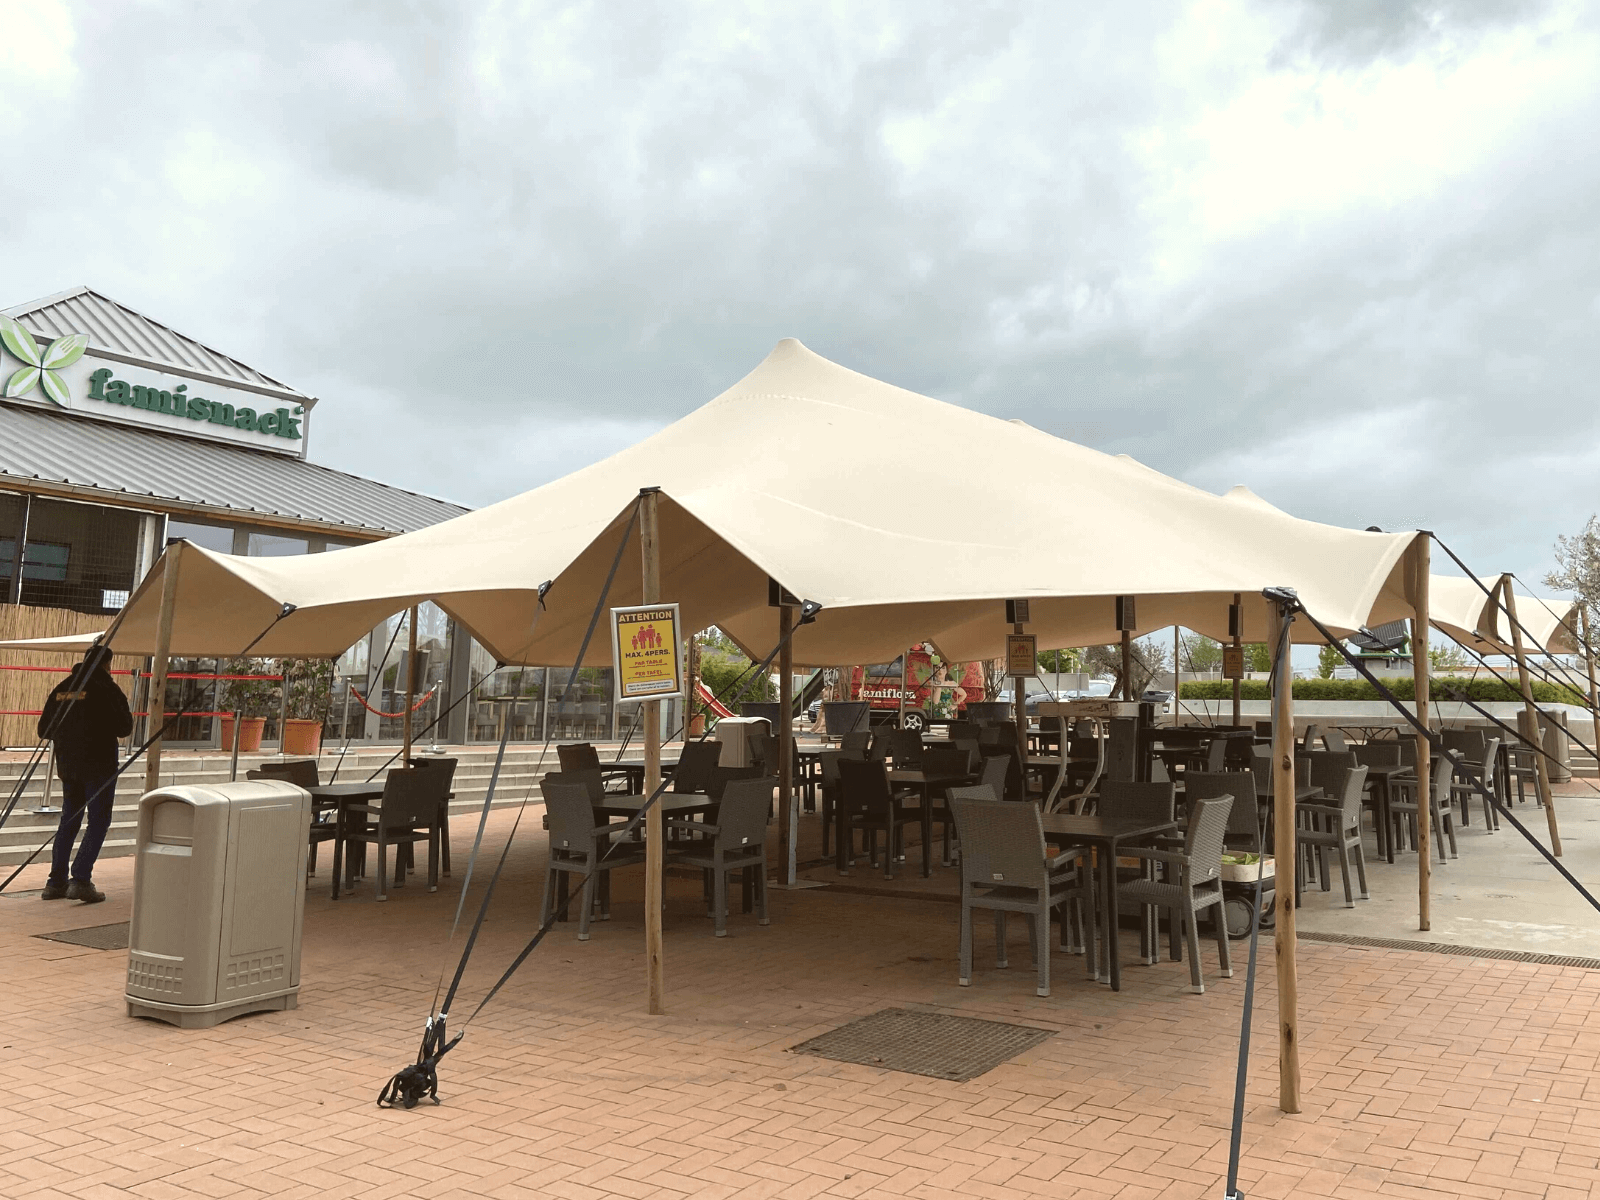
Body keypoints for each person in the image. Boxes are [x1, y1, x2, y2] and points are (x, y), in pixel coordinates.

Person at [37, 647, 132, 903]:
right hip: (99, 766)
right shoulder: (107, 689)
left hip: (68, 767)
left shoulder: (62, 688)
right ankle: (80, 879)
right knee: (99, 821)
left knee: (69, 820)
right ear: (107, 665)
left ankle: (56, 882)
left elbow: (44, 729)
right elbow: (125, 726)